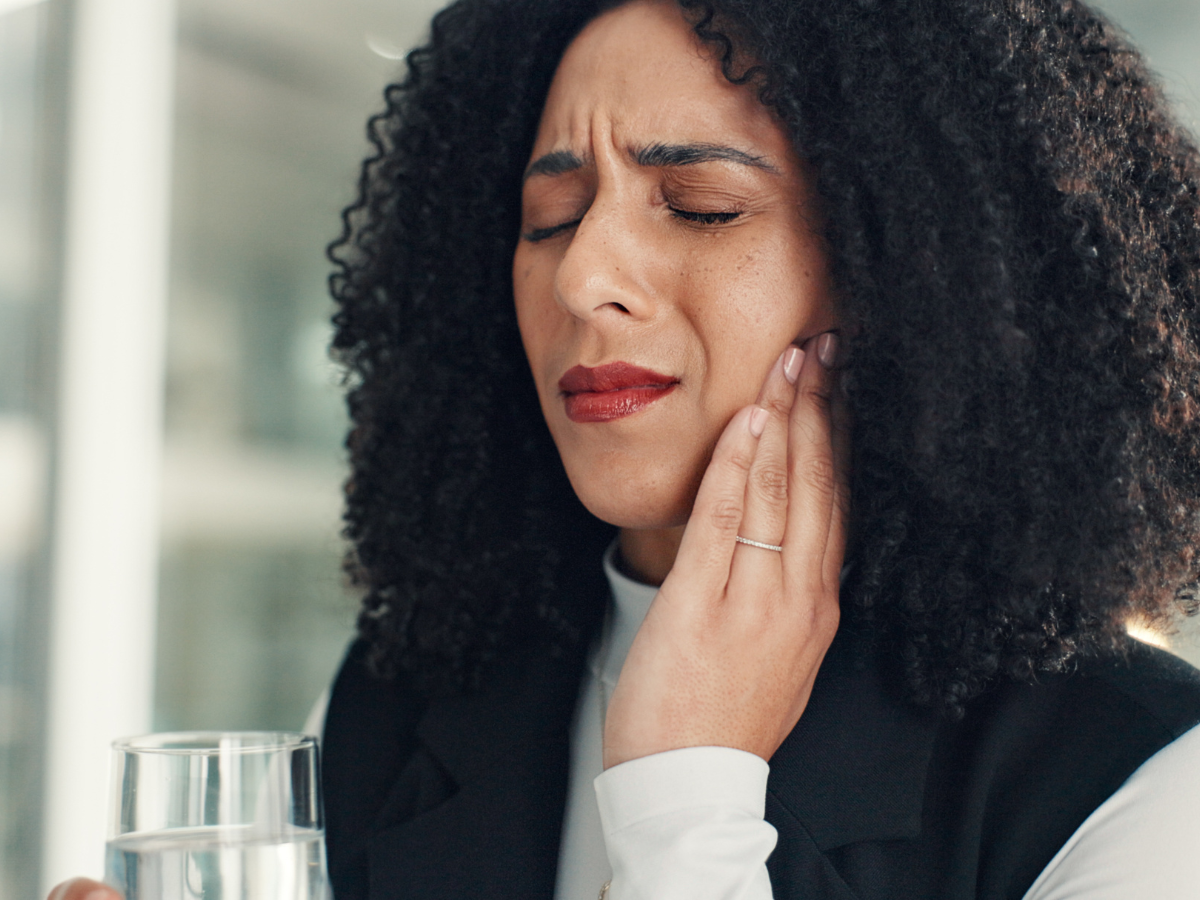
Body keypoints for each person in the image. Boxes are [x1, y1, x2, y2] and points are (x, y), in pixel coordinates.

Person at [52, 0, 1200, 899]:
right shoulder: (386, 709)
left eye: (699, 205)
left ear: (918, 275)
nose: (583, 277)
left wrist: (684, 792)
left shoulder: (1135, 782)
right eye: (549, 220)